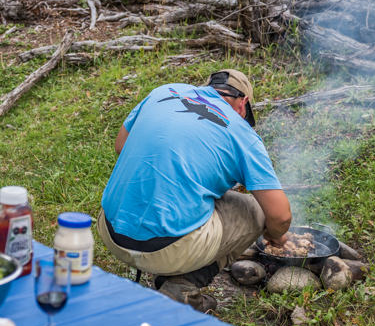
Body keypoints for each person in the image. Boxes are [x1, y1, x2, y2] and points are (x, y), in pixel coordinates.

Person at [97, 69, 292, 313]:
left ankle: (166, 269)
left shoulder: (163, 92)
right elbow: (280, 215)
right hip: (165, 251)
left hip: (112, 231)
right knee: (256, 210)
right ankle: (183, 286)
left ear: (206, 87)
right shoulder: (242, 134)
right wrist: (277, 236)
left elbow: (121, 146)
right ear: (243, 105)